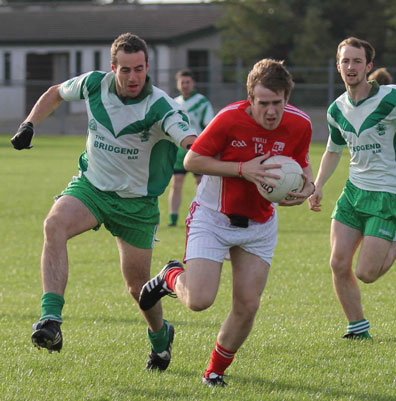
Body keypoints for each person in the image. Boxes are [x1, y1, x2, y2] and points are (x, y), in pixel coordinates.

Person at [10, 33, 198, 370]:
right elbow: (55, 93)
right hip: (92, 189)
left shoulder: (161, 104)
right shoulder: (94, 84)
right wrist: (29, 124)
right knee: (54, 223)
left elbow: (186, 137)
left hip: (136, 205)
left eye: (139, 69)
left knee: (137, 287)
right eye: (125, 70)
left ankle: (160, 337)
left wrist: (203, 151)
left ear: (147, 67)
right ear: (113, 68)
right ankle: (50, 320)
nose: (133, 77)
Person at [139, 59, 315, 386]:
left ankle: (214, 372)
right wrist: (242, 169)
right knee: (199, 300)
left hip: (260, 223)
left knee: (247, 305)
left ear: (286, 98)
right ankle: (170, 276)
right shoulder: (229, 119)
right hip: (213, 217)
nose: (271, 111)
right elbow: (192, 159)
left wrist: (308, 187)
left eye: (278, 103)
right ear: (251, 99)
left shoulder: (300, 124)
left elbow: (302, 164)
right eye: (263, 103)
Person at [308, 37, 396, 339]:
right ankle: (357, 328)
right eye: (345, 61)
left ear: (368, 66)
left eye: (356, 61)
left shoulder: (390, 98)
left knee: (366, 273)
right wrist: (318, 185)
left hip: (385, 194)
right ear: (338, 66)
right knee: (338, 263)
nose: (350, 66)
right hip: (353, 193)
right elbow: (333, 150)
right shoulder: (336, 109)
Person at [168, 69, 215, 227]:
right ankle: (173, 219)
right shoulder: (174, 103)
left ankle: (201, 217)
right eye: (182, 82)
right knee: (176, 182)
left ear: (193, 83)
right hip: (179, 150)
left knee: (200, 183)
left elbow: (208, 126)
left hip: (197, 148)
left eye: (188, 82)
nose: (185, 85)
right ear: (178, 84)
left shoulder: (202, 102)